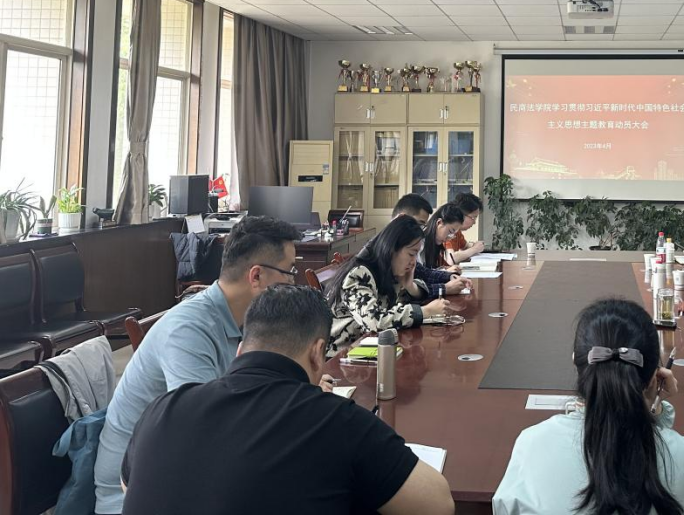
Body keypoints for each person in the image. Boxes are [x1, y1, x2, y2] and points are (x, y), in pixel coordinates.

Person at [121, 285, 454, 515]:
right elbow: (438, 505)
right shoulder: (335, 420)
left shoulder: (162, 408)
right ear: (318, 353)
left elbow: (128, 485)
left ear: (241, 349)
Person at [95, 217, 302, 513]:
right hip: (134, 494)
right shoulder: (189, 330)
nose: (293, 283)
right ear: (256, 276)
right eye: (289, 272)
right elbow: (203, 432)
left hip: (183, 473)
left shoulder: (246, 320)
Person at [493, 298, 684, 515]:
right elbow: (659, 448)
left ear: (576, 362)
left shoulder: (531, 446)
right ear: (654, 378)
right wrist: (655, 408)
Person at [326, 215, 453, 357]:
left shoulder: (389, 272)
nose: (414, 262)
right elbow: (375, 321)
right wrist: (425, 311)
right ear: (392, 249)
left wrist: (409, 286)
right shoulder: (359, 275)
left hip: (367, 350)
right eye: (411, 254)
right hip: (339, 358)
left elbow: (401, 306)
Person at [391, 194, 470, 296]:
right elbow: (407, 291)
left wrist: (448, 276)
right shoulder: (386, 251)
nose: (420, 230)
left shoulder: (404, 243)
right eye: (419, 224)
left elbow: (422, 273)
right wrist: (444, 288)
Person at [422, 202, 467, 270]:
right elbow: (421, 273)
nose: (449, 238)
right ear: (439, 223)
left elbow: (433, 268)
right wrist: (445, 272)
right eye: (450, 231)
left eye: (453, 234)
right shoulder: (420, 242)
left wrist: (446, 269)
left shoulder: (435, 245)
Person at [444, 192, 485, 264]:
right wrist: (474, 249)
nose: (474, 222)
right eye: (473, 218)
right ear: (461, 214)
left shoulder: (457, 231)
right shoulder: (447, 229)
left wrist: (475, 246)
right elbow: (451, 259)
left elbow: (466, 247)